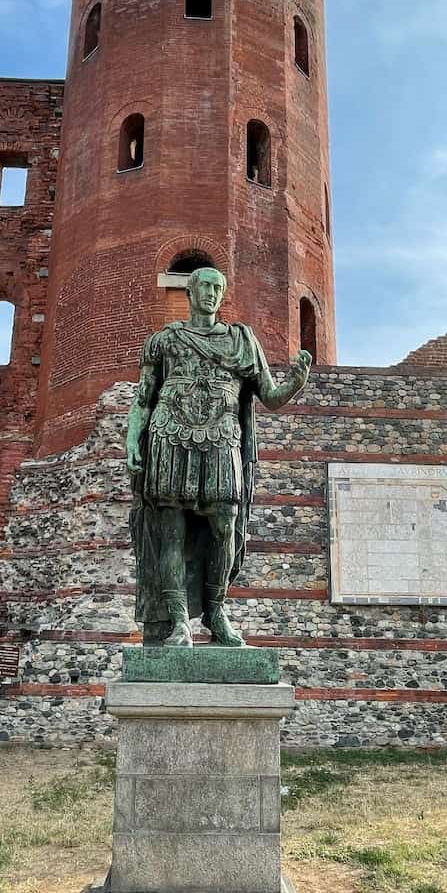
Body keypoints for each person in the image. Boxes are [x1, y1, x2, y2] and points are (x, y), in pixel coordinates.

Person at [126, 267, 312, 646]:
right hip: (169, 435)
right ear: (190, 292)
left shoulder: (241, 341)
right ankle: (179, 622)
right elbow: (143, 397)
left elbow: (270, 398)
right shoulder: (164, 341)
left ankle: (216, 610)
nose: (211, 293)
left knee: (225, 526)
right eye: (204, 286)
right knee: (171, 534)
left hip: (223, 438)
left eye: (217, 287)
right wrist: (132, 440)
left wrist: (295, 382)